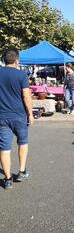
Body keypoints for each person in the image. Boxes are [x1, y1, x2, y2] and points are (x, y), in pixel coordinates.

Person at [0, 48, 34, 189]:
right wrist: (30, 114)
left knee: (4, 147)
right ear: (17, 60)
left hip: (2, 116)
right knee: (23, 142)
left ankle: (8, 179)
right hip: (19, 116)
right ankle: (21, 172)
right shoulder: (21, 75)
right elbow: (26, 96)